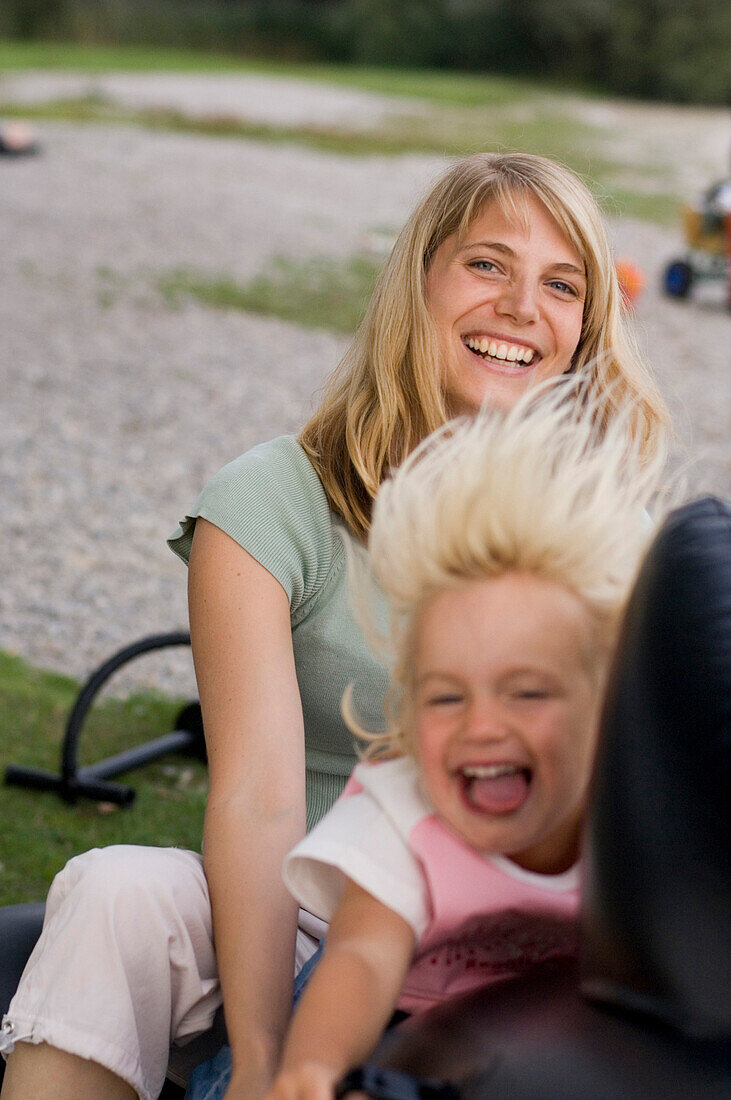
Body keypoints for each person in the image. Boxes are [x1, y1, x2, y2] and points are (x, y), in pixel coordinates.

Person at [0, 153, 669, 1100]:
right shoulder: (273, 497)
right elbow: (257, 801)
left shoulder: (614, 540)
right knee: (114, 891)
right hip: (305, 895)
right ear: (419, 282)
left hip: (507, 932)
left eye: (561, 286)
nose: (523, 306)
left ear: (583, 332)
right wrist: (268, 1058)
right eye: (488, 265)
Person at [187, 377, 667, 1100]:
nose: (480, 727)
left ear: (604, 704)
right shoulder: (406, 813)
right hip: (389, 1037)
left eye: (526, 692)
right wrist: (315, 1068)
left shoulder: (637, 810)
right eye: (446, 697)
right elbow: (360, 959)